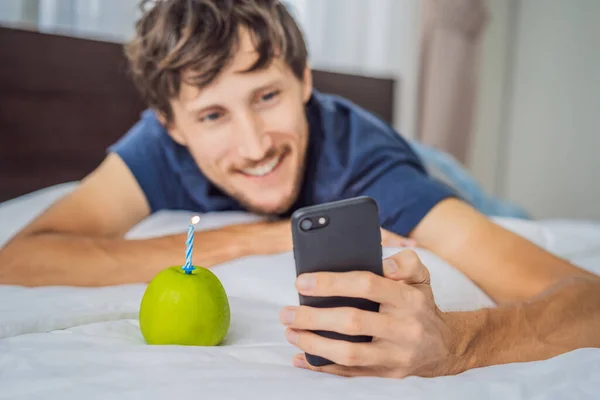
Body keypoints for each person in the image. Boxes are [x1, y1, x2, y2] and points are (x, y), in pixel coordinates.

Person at [0, 0, 598, 378]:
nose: (255, 144)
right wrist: (245, 241)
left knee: (502, 209)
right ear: (172, 126)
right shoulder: (157, 146)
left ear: (303, 80)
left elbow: (589, 302)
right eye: (213, 116)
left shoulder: (368, 168)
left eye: (267, 96)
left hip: (429, 166)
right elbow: (24, 254)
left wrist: (462, 344)